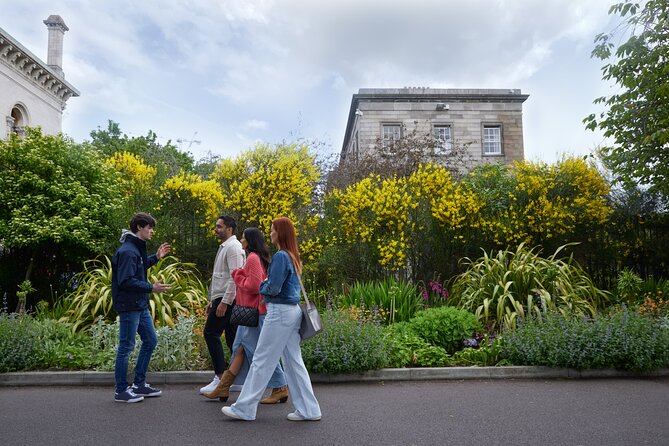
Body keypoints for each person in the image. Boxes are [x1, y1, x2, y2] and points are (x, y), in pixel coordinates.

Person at [221, 217, 321, 421]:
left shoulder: (281, 257)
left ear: (281, 233)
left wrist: (262, 287)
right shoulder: (292, 256)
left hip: (279, 313)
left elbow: (272, 288)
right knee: (293, 362)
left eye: (273, 230)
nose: (271, 234)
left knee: (261, 359)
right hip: (290, 312)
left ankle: (244, 408)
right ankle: (310, 410)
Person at [203, 227, 288, 403]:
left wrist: (237, 275)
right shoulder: (255, 258)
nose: (241, 241)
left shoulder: (252, 258)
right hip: (248, 313)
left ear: (250, 241)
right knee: (240, 349)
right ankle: (223, 387)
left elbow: (255, 286)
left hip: (253, 313)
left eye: (243, 238)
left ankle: (280, 386)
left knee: (257, 351)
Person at [112, 212, 172, 403]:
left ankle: (139, 384)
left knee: (150, 341)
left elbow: (139, 267)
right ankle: (121, 390)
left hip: (139, 304)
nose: (152, 231)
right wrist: (151, 288)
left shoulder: (136, 248)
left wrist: (156, 257)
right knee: (126, 347)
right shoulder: (128, 250)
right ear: (139, 227)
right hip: (130, 305)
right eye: (150, 227)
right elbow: (126, 280)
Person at [200, 216, 244, 396]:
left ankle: (220, 377)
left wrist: (224, 302)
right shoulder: (227, 246)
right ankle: (236, 380)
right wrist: (213, 301)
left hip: (228, 299)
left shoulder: (233, 248)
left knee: (210, 333)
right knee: (233, 340)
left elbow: (236, 277)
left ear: (229, 229)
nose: (215, 229)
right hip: (223, 298)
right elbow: (222, 277)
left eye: (219, 226)